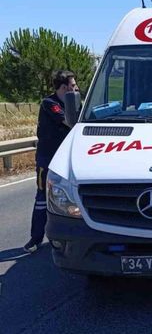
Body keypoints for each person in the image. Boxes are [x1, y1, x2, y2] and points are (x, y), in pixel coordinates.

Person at [24, 70, 78, 253]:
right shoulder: (51, 104)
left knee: (69, 200)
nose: (76, 88)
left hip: (65, 160)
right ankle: (35, 239)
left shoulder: (73, 105)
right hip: (47, 160)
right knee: (42, 199)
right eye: (73, 85)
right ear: (64, 87)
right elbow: (69, 122)